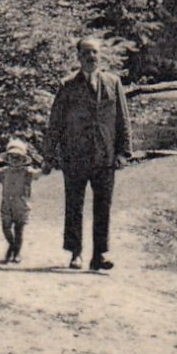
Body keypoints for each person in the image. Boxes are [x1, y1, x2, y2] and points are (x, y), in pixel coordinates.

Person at [40, 36, 132, 271]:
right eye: (86, 53)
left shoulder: (113, 83)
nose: (91, 57)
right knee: (74, 206)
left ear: (100, 56)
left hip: (105, 156)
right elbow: (56, 123)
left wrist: (124, 152)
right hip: (75, 156)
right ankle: (75, 253)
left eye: (95, 53)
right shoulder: (68, 86)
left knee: (103, 207)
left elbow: (122, 119)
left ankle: (99, 255)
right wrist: (49, 156)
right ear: (78, 57)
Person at [0, 137, 42, 265]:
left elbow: (38, 174)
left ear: (23, 159)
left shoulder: (27, 172)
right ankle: (12, 245)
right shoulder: (4, 172)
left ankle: (17, 252)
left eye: (18, 157)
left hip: (21, 205)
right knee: (5, 228)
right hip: (6, 204)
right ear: (7, 158)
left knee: (19, 230)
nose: (14, 160)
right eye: (11, 157)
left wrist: (45, 167)